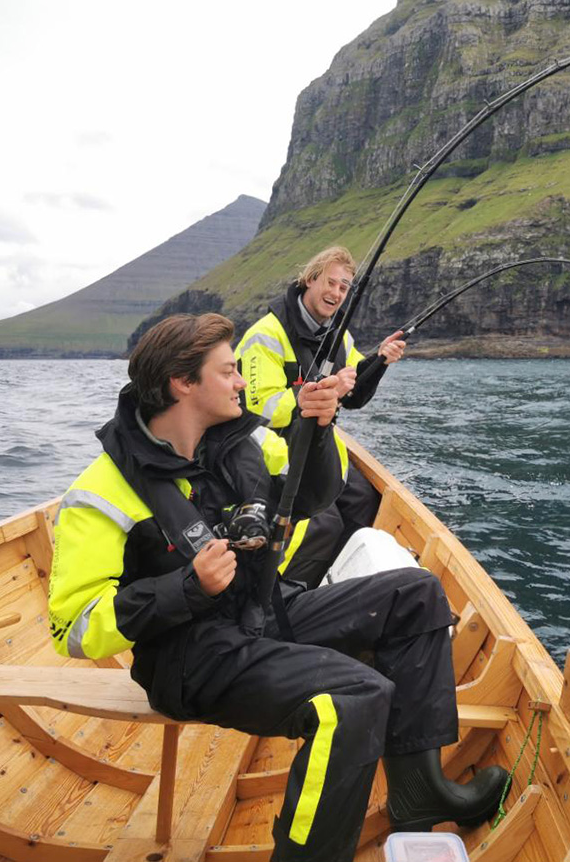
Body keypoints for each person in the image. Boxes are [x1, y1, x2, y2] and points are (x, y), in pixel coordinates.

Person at [47, 313, 505, 861]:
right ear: (182, 383)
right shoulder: (99, 493)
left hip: (264, 613)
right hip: (191, 657)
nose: (242, 381)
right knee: (355, 698)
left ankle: (419, 790)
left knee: (416, 592)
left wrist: (319, 423)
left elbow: (313, 496)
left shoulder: (243, 444)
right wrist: (186, 589)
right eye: (228, 372)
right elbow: (71, 627)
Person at [235, 246, 406, 588]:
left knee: (364, 501)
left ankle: (339, 590)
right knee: (323, 523)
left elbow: (354, 389)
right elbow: (260, 409)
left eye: (344, 287)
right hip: (264, 445)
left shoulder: (340, 336)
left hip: (314, 439)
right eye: (330, 282)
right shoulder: (265, 335)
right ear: (310, 279)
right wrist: (317, 392)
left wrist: (380, 361)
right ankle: (283, 595)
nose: (336, 293)